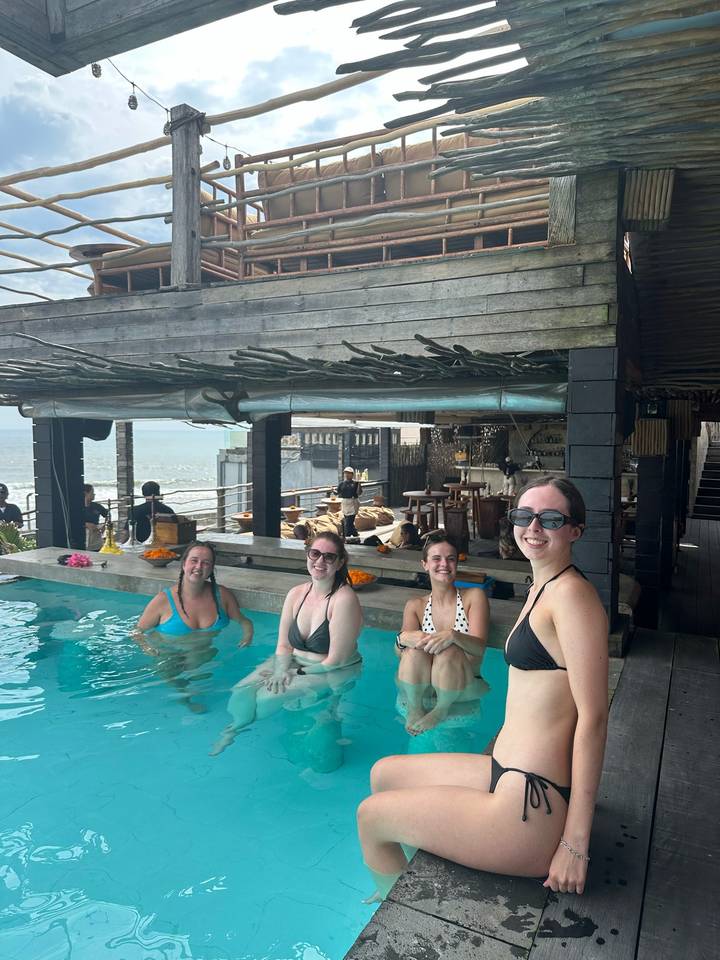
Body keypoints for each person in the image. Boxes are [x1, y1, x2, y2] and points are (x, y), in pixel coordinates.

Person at [357, 477, 608, 900]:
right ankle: (441, 844)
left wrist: (574, 843)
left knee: (370, 818)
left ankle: (391, 914)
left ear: (574, 530)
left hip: (531, 804)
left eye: (550, 519)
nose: (533, 528)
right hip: (507, 770)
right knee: (383, 774)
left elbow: (594, 717)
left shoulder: (572, 597)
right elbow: (541, 697)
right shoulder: (542, 588)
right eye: (524, 516)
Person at [211, 530, 362, 753]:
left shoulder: (344, 599)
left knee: (265, 699)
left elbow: (336, 661)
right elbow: (283, 645)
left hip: (332, 671)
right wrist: (280, 670)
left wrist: (294, 674)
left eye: (329, 557)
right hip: (294, 661)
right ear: (307, 556)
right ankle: (234, 728)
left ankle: (242, 726)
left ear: (340, 563)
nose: (320, 561)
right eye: (315, 554)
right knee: (241, 690)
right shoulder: (296, 594)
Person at [395, 533, 489, 734]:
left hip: (464, 682)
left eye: (451, 558)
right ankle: (415, 706)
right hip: (424, 684)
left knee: (448, 650)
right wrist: (402, 638)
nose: (444, 564)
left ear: (457, 563)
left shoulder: (473, 597)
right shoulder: (415, 605)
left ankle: (440, 710)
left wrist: (453, 636)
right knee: (413, 650)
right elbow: (400, 653)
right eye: (436, 558)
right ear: (425, 564)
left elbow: (479, 649)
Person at [136, 541, 253, 642]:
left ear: (211, 569)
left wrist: (247, 637)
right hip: (168, 658)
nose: (199, 566)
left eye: (206, 563)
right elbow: (137, 633)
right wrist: (150, 650)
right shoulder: (163, 600)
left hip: (207, 659)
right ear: (184, 564)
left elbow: (243, 621)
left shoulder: (222, 596)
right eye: (194, 560)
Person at [336, 466, 363, 540]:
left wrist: (359, 484)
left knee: (349, 522)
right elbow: (338, 492)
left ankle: (347, 537)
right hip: (345, 503)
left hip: (353, 502)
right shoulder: (342, 484)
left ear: (352, 474)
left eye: (349, 473)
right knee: (348, 520)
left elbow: (359, 493)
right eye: (346, 473)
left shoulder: (355, 483)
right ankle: (355, 534)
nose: (347, 475)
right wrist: (332, 491)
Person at [84, 484, 108, 551]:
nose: (94, 494)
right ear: (86, 493)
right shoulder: (77, 507)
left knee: (97, 551)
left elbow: (108, 515)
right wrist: (85, 524)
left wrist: (104, 526)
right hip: (84, 534)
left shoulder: (97, 506)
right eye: (92, 492)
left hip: (96, 534)